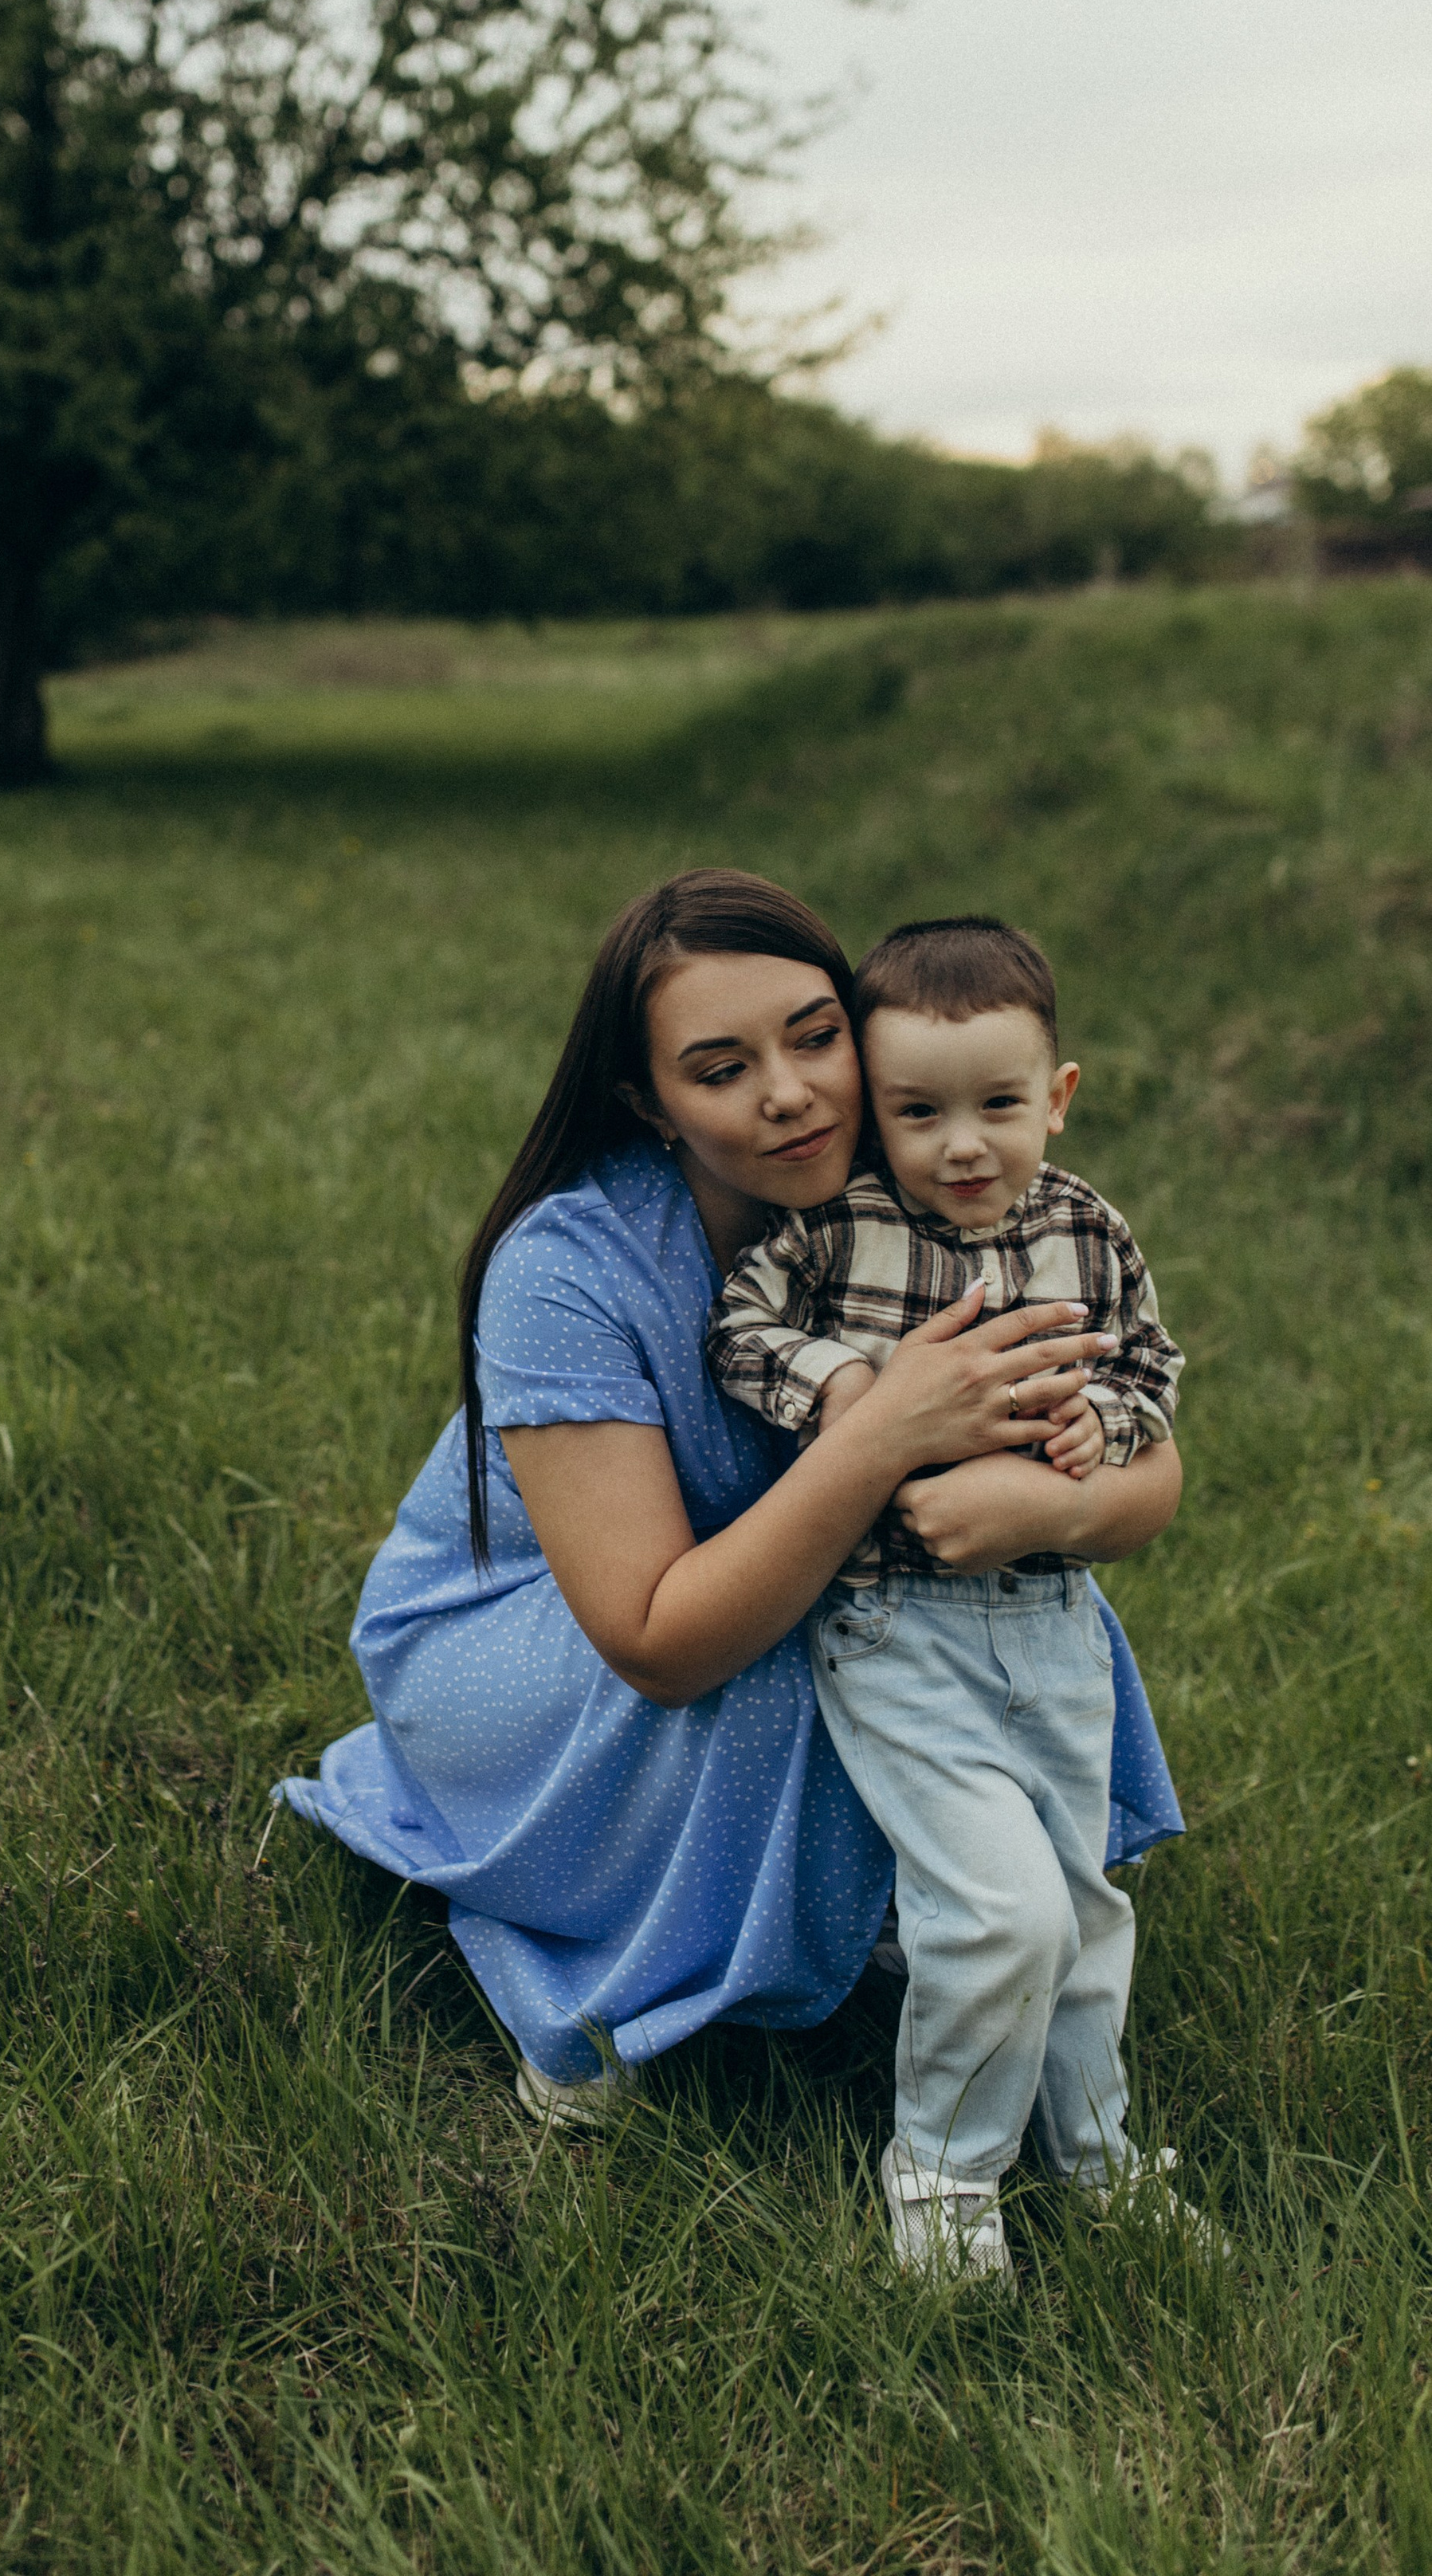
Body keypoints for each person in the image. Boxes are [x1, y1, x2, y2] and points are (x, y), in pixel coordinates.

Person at [276, 869, 1183, 2150]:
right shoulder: (566, 1266)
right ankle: (602, 1961)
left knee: (1006, 1609)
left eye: (817, 1039)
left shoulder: (940, 1175)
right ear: (650, 1102)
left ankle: (888, 1898)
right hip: (543, 1638)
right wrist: (883, 1436)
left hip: (823, 1582)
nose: (790, 1093)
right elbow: (659, 1640)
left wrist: (1045, 1509)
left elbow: (1152, 1472)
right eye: (721, 1069)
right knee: (813, 1649)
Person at [708, 917, 1188, 2284]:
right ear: (875, 1101)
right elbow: (736, 1328)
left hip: (1056, 1628)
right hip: (895, 1628)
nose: (961, 1144)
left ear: (1060, 1095)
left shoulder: (1087, 1229)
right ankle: (944, 2179)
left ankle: (1100, 2161)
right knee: (1000, 1910)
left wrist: (1106, 1416)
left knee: (1086, 1911)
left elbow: (1154, 1368)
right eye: (917, 1112)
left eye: (998, 1106)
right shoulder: (838, 1228)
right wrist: (844, 1391)